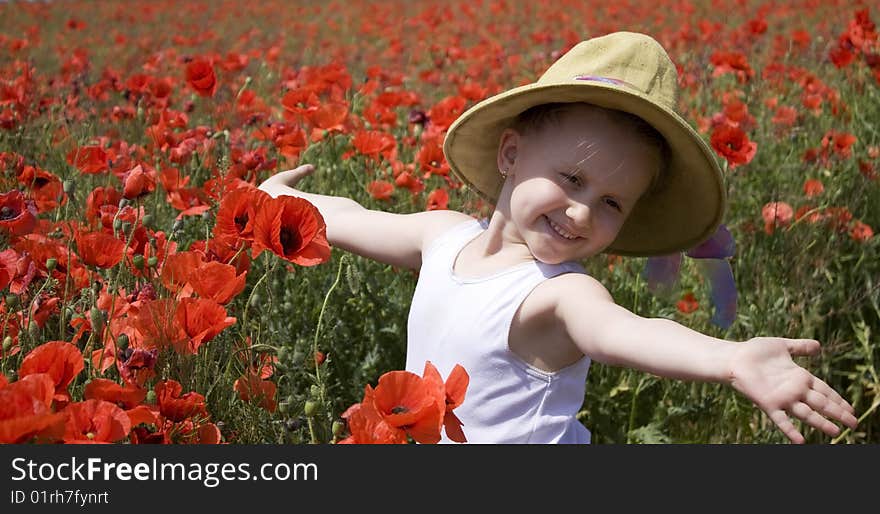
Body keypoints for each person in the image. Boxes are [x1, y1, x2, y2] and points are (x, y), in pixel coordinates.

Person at [258, 32, 858, 444]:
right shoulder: (443, 236)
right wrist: (283, 199)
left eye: (612, 203)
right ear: (512, 152)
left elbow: (626, 332)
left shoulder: (558, 295)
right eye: (572, 178)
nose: (580, 211)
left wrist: (729, 358)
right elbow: (358, 218)